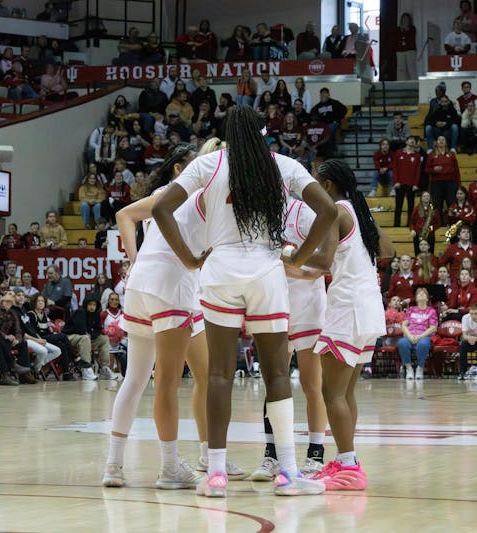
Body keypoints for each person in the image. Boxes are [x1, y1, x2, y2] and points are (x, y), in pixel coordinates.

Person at [151, 105, 336, 497]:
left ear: (227, 133)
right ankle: (288, 473)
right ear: (263, 131)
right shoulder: (283, 165)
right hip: (267, 271)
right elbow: (328, 209)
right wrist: (299, 258)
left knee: (219, 374)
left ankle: (216, 475)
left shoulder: (209, 164)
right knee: (277, 375)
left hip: (219, 270)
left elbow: (160, 208)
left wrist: (189, 259)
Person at [103, 143, 216, 489]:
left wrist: (135, 260)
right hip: (172, 285)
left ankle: (113, 466)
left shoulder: (165, 191)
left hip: (141, 285)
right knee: (167, 382)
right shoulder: (199, 194)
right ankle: (170, 467)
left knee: (135, 379)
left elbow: (124, 215)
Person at [309, 159, 391, 490]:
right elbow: (388, 249)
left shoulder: (336, 212)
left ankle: (349, 466)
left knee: (331, 393)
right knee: (345, 392)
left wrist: (285, 253)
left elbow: (323, 260)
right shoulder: (359, 211)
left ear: (327, 185)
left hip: (348, 308)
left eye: (315, 181)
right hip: (368, 307)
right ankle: (347, 459)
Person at [249, 196, 330, 480]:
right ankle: (272, 455)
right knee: (274, 381)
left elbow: (323, 262)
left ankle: (316, 454)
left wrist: (297, 271)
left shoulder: (305, 213)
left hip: (308, 306)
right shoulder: (261, 216)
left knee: (311, 384)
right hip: (274, 303)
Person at [25, 293, 75, 381]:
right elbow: (32, 331)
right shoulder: (31, 314)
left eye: (42, 301)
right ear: (34, 303)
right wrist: (40, 339)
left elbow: (47, 330)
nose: (41, 303)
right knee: (63, 336)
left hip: (46, 337)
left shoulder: (44, 314)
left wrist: (54, 336)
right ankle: (75, 358)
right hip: (38, 339)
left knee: (62, 346)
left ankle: (66, 373)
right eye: (38, 301)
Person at [398, 287, 437, 381]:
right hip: (410, 335)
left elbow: (433, 327)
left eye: (424, 293)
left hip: (424, 335)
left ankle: (420, 368)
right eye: (419, 294)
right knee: (402, 343)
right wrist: (410, 336)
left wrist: (420, 336)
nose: (421, 294)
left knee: (423, 344)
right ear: (416, 298)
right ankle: (409, 368)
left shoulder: (431, 311)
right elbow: (404, 325)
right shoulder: (411, 309)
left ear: (427, 298)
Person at [392, 136, 422, 228]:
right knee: (398, 206)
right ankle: (396, 225)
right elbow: (395, 168)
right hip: (399, 184)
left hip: (411, 185)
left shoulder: (417, 155)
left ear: (415, 143)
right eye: (410, 139)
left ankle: (410, 225)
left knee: (411, 207)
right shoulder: (398, 153)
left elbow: (418, 171)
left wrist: (415, 184)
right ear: (406, 141)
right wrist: (396, 181)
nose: (412, 141)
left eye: (414, 140)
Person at [426, 136, 460, 213]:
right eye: (439, 140)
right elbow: (426, 170)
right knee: (437, 205)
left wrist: (459, 185)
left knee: (452, 205)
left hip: (451, 183)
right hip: (437, 184)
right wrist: (434, 170)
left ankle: (452, 220)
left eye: (443, 140)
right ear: (436, 142)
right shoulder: (431, 154)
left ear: (446, 143)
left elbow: (457, 171)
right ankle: (438, 220)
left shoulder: (451, 154)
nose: (441, 141)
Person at [410, 191, 442, 255]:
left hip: (430, 235)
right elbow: (411, 222)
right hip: (418, 235)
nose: (426, 197)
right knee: (418, 254)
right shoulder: (416, 209)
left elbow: (438, 223)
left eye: (428, 196)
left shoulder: (434, 210)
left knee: (430, 254)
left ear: (430, 198)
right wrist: (412, 229)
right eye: (424, 196)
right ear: (421, 198)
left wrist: (431, 228)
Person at [395, 13, 418, 81]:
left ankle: (414, 84)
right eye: (404, 19)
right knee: (401, 70)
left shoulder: (412, 28)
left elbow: (411, 38)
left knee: (411, 69)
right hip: (400, 51)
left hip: (410, 51)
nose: (405, 20)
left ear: (409, 20)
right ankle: (401, 84)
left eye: (406, 19)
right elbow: (396, 40)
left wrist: (406, 29)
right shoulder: (398, 29)